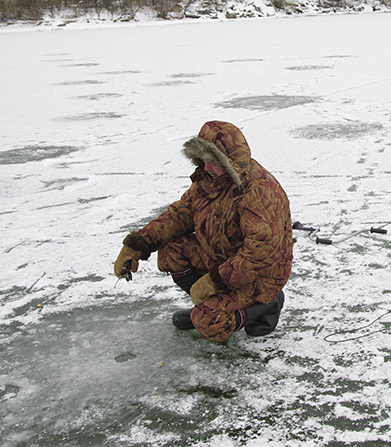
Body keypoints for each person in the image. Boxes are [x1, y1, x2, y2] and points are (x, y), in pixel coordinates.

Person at [113, 121, 293, 342]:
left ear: (229, 160)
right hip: (223, 260)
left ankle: (267, 304)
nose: (207, 168)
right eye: (203, 160)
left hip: (261, 275)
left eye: (213, 162)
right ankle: (209, 305)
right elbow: (179, 215)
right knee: (171, 252)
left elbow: (260, 253)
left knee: (210, 323)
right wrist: (137, 245)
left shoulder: (259, 190)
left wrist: (215, 282)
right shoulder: (209, 181)